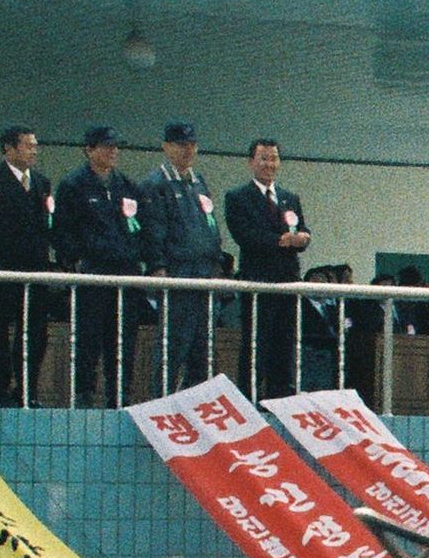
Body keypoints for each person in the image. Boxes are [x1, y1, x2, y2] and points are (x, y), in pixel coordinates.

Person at [0, 124, 57, 402]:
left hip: (36, 271)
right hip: (1, 270)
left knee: (35, 334)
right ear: (9, 148)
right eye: (27, 146)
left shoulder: (41, 183)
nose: (33, 151)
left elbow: (48, 224)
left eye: (35, 146)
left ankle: (28, 388)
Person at [135, 121, 229, 391]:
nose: (187, 150)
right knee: (174, 345)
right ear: (166, 147)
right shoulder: (156, 184)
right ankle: (162, 401)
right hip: (178, 274)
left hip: (204, 275)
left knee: (202, 349)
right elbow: (152, 230)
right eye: (180, 145)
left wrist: (217, 263)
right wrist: (158, 267)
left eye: (191, 145)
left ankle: (194, 403)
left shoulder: (199, 182)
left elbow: (210, 225)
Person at [56, 125, 145, 402]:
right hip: (93, 276)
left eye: (115, 147)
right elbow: (62, 231)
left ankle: (119, 395)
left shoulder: (127, 186)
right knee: (88, 339)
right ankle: (84, 394)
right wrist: (78, 260)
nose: (113, 152)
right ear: (89, 150)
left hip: (126, 276)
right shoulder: (73, 185)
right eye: (106, 147)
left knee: (122, 341)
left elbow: (140, 228)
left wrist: (137, 256)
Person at [225, 136, 312, 397]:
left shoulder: (289, 198)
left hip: (288, 283)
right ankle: (249, 399)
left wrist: (302, 238)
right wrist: (279, 241)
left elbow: (303, 230)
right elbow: (244, 235)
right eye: (263, 158)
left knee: (285, 346)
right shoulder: (238, 197)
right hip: (258, 282)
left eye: (274, 158)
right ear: (251, 162)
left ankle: (281, 399)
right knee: (256, 345)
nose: (269, 164)